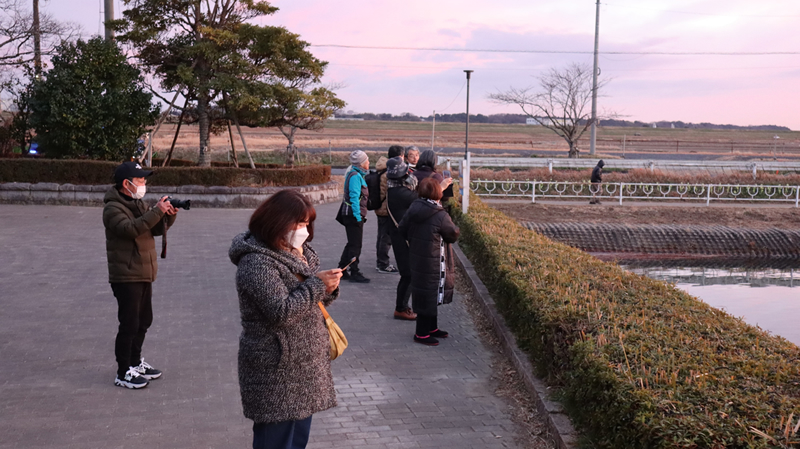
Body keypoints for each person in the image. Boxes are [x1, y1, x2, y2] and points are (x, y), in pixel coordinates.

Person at [229, 190, 342, 449]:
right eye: (299, 223)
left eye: (306, 223)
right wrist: (317, 286)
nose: (304, 230)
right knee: (276, 440)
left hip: (303, 366)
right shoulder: (256, 262)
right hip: (276, 367)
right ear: (276, 222)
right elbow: (281, 312)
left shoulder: (298, 252)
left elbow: (311, 300)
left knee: (297, 440)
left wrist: (329, 288)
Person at [103, 161, 178, 389]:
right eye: (140, 180)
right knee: (129, 323)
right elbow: (131, 229)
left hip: (143, 271)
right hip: (126, 274)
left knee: (144, 321)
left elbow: (153, 229)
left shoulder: (138, 203)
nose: (144, 184)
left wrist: (169, 215)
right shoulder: (112, 208)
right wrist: (156, 210)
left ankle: (135, 362)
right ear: (127, 184)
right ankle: (123, 371)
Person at [398, 177, 460, 346]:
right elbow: (452, 234)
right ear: (438, 194)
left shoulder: (415, 206)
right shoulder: (440, 214)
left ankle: (432, 328)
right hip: (433, 258)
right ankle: (421, 333)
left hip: (417, 256)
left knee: (425, 291)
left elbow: (402, 228)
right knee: (430, 292)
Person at [385, 157, 418, 321]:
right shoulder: (402, 193)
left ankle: (402, 307)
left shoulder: (393, 190)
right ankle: (401, 308)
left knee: (408, 273)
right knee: (408, 274)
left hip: (398, 238)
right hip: (402, 240)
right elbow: (422, 199)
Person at [338, 150, 370, 283]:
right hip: (353, 215)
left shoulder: (355, 174)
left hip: (350, 215)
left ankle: (342, 269)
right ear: (362, 163)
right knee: (356, 245)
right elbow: (354, 198)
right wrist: (358, 217)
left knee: (352, 243)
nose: (369, 163)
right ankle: (354, 271)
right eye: (367, 160)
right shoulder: (356, 176)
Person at [374, 145, 404, 274]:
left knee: (381, 236)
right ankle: (383, 263)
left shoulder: (382, 168)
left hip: (380, 207)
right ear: (399, 157)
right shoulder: (390, 172)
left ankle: (380, 261)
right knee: (386, 238)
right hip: (387, 209)